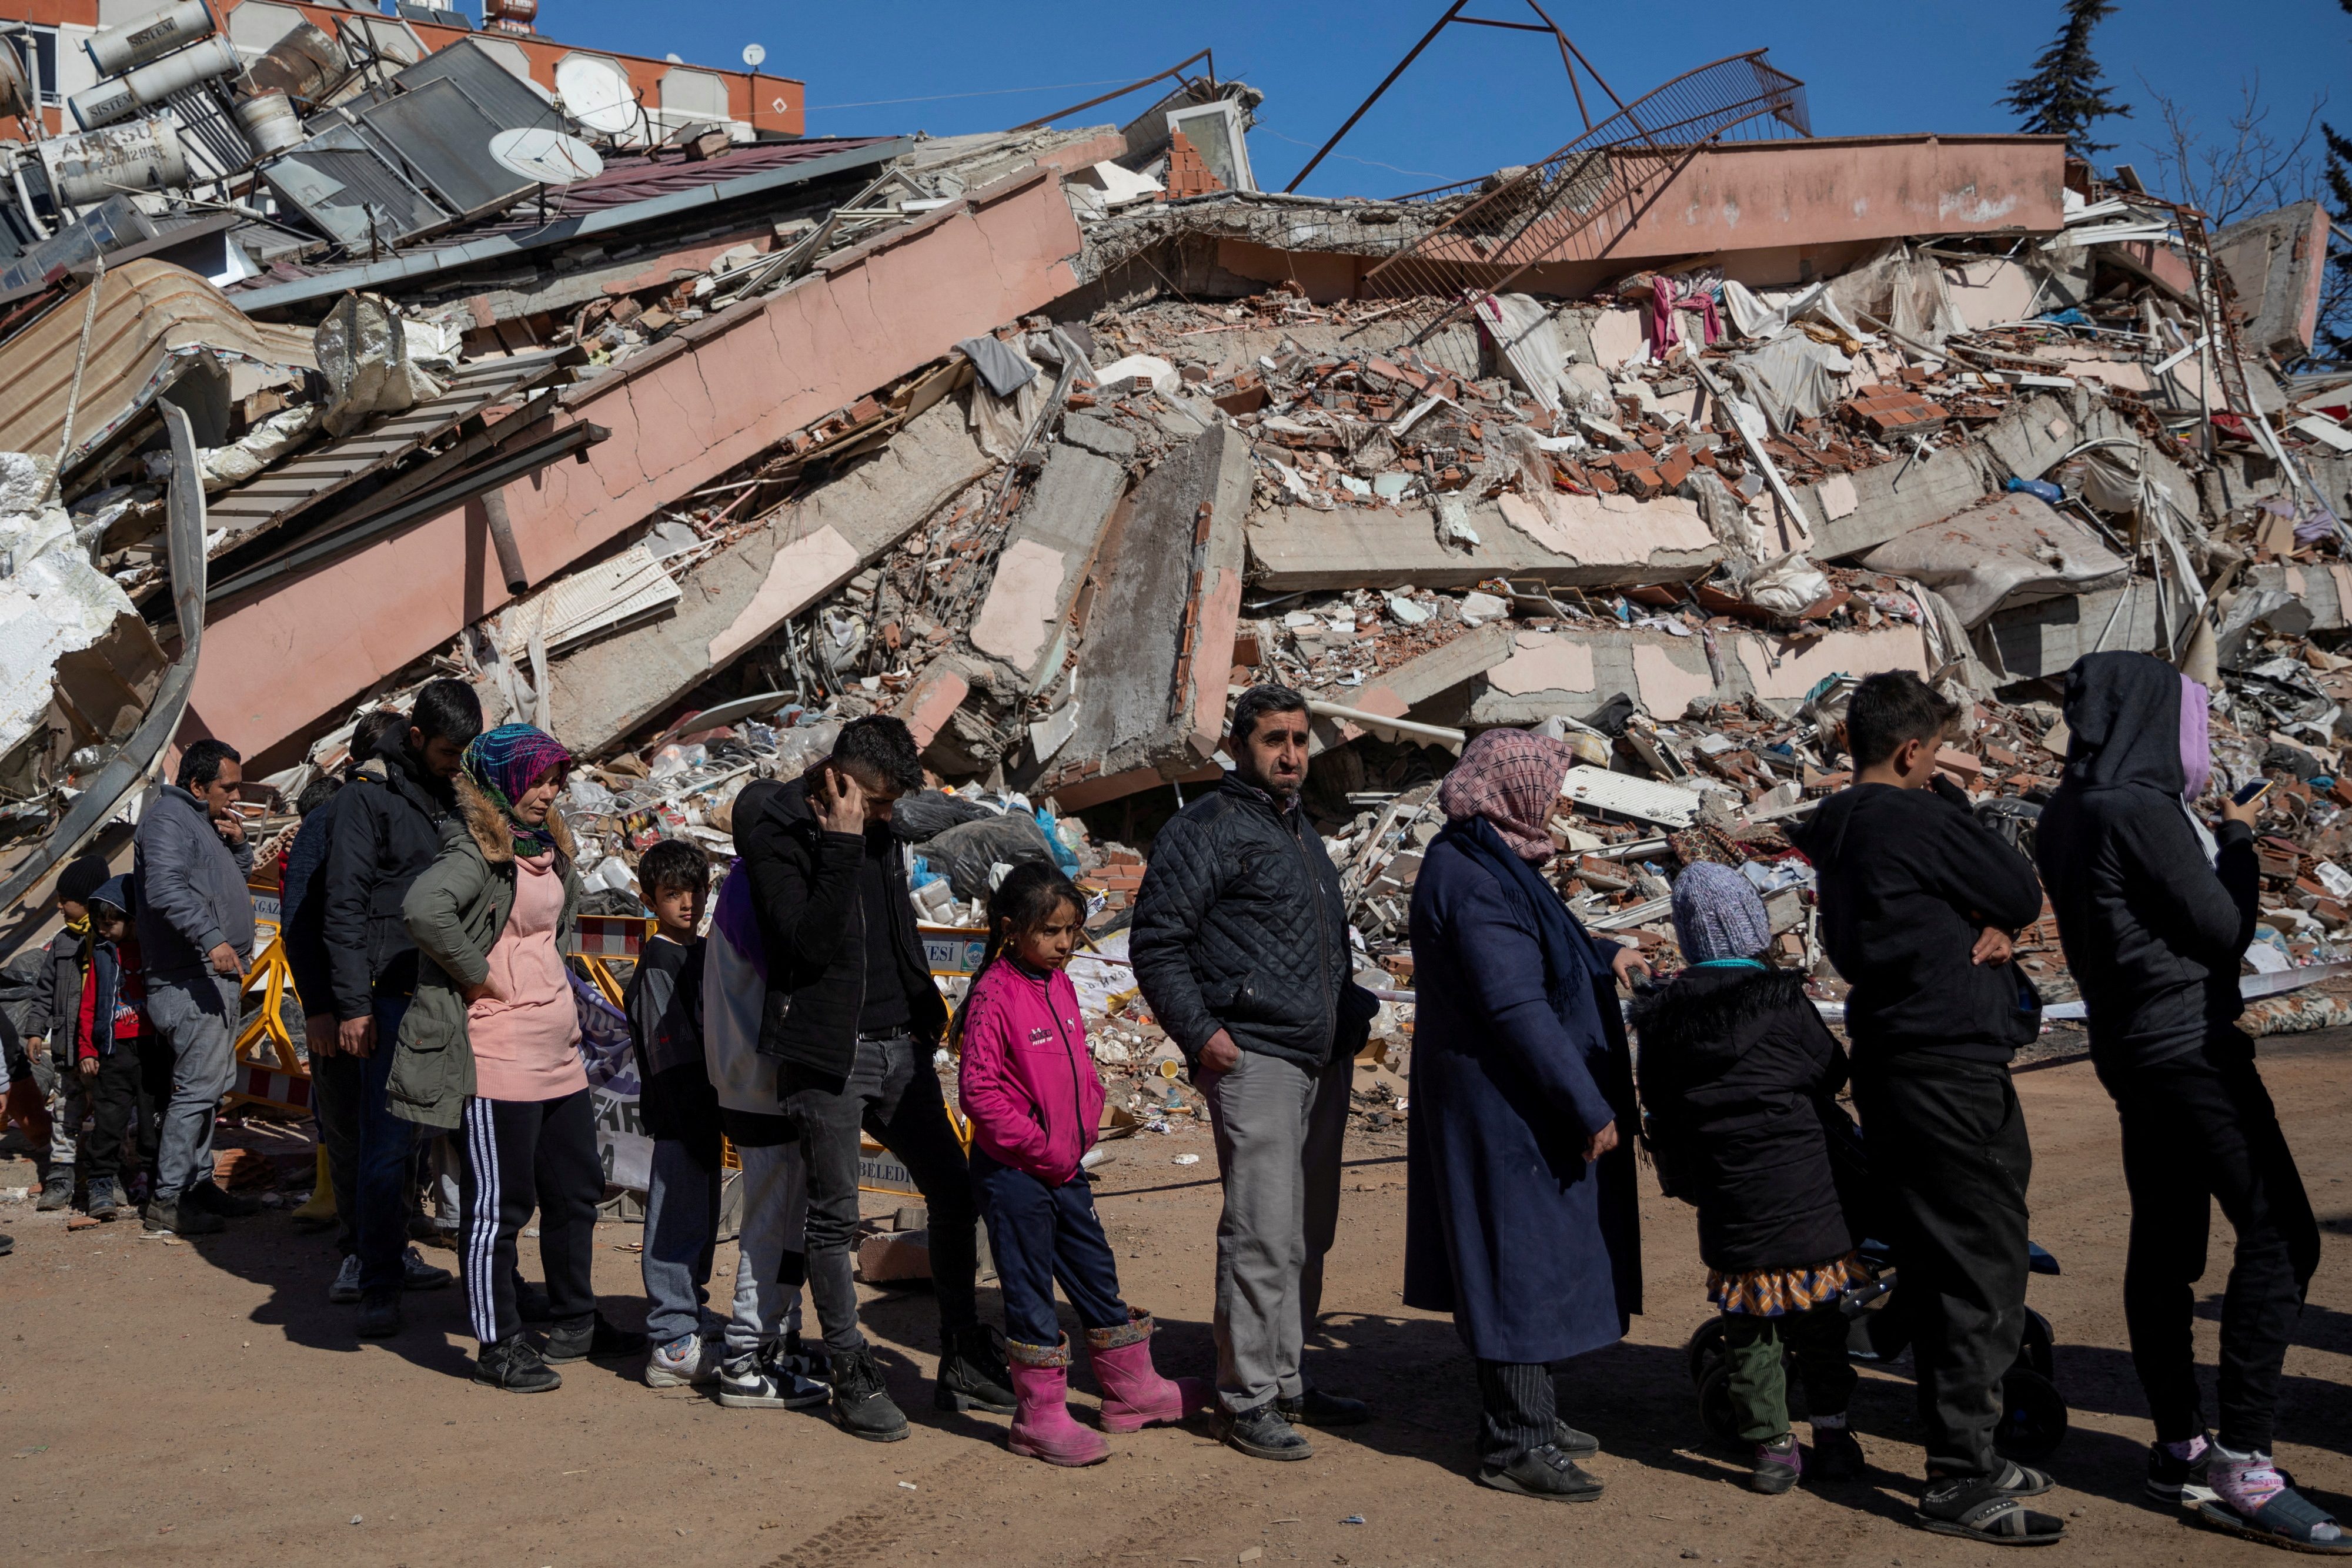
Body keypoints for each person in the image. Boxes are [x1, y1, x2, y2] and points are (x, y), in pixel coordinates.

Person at [2036, 651, 2334, 1552]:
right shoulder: (2137, 807)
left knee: (2166, 1242)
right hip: (2190, 1050)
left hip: (2129, 1048)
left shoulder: (2069, 807)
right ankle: (2244, 1459)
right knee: (2282, 1235)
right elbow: (2223, 929)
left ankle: (2178, 1442)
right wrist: (2239, 842)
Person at [1789, 670, 2059, 1546]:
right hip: (1951, 1067)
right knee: (1981, 1264)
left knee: (1944, 1251)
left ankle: (1969, 1445)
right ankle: (1959, 1474)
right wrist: (1958, 821)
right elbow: (2018, 891)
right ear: (1911, 750)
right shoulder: (1921, 814)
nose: (1942, 764)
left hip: (1899, 1060)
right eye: (1936, 751)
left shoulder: (1834, 828)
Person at [736, 714, 1009, 1440]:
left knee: (954, 1192)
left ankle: (961, 1352)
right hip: (827, 1054)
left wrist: (924, 998)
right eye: (879, 802)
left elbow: (895, 922)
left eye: (890, 806)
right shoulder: (778, 831)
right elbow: (805, 946)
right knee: (834, 1216)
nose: (887, 816)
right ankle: (850, 1369)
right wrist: (841, 843)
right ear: (841, 779)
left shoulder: (881, 831)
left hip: (899, 1047)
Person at [1131, 684, 1381, 1463]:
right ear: (1242, 742)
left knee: (1307, 1231)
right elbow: (1157, 941)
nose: (1292, 754)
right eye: (1276, 739)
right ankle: (1245, 1396)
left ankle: (1288, 1374)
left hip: (1319, 1054)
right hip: (1257, 1057)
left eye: (1302, 740)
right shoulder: (1205, 828)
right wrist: (1205, 1035)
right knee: (1262, 1230)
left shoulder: (1298, 827)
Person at [1401, 727, 1645, 1502]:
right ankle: (1515, 1441)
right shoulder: (1472, 875)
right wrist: (1585, 1100)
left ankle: (1535, 1414)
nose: (1558, 797)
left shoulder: (1494, 853)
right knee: (1512, 1260)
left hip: (1512, 1099)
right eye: (1549, 783)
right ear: (1514, 789)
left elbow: (1540, 945)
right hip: (1502, 1103)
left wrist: (1602, 955)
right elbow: (1514, 1003)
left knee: (1536, 1256)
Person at [389, 722, 646, 1391]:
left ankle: (575, 1320)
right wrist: (479, 975)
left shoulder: (544, 847)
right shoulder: (476, 849)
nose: (550, 790)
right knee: (498, 1210)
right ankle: (497, 1343)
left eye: (557, 778)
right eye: (538, 778)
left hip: (557, 1055)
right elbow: (423, 909)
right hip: (498, 1054)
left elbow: (547, 938)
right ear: (502, 779)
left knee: (574, 1192)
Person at [1633, 862, 1867, 1496]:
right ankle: (1836, 1437)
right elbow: (1829, 1070)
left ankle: (1770, 1449)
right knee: (1821, 1324)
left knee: (1751, 1332)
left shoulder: (1662, 1015)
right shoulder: (1780, 999)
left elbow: (1656, 1099)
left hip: (1728, 1193)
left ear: (1687, 934)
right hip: (1806, 1190)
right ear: (1752, 924)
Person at [959, 863, 1204, 1466]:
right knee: (1029, 1290)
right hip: (1016, 1174)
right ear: (1012, 929)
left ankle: (1132, 1393)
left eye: (1072, 931)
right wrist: (1041, 1148)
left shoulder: (1059, 983)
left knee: (1095, 1272)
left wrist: (1087, 1118)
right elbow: (979, 1093)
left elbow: (1077, 1068)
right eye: (1051, 932)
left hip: (1064, 1168)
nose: (1065, 945)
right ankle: (1038, 1418)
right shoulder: (994, 993)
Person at [312, 686, 476, 1336]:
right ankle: (379, 1281)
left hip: (454, 993)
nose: (454, 763)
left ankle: (496, 1282)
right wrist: (350, 1005)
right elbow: (342, 905)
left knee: (471, 1144)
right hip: (391, 996)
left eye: (463, 753)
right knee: (385, 1148)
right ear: (415, 738)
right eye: (444, 751)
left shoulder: (457, 792)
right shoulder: (365, 797)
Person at [701, 857, 830, 1410]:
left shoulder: (749, 882)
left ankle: (781, 1336)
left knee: (786, 1226)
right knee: (768, 1226)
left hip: (757, 1083)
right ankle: (746, 1356)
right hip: (757, 1084)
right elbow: (792, 966)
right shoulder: (755, 889)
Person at [134, 737, 259, 1238]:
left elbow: (228, 882)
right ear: (195, 784)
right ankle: (168, 1199)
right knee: (195, 1091)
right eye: (227, 788)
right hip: (190, 980)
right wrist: (211, 940)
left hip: (213, 977)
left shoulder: (200, 823)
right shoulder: (168, 821)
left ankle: (198, 1183)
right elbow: (164, 888)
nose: (234, 796)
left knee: (210, 1089)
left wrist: (238, 846)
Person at [626, 838, 730, 1390]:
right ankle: (670, 1340)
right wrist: (691, 1116)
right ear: (649, 900)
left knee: (699, 1221)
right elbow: (669, 1053)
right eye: (672, 894)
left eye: (694, 890)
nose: (686, 903)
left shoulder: (704, 951)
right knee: (674, 1222)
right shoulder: (659, 962)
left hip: (706, 1112)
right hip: (679, 1114)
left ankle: (690, 1313)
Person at [70, 877, 175, 1222]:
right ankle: (102, 1181)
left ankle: (156, 1182)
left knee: (153, 1121)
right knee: (108, 1121)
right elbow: (90, 1005)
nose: (103, 930)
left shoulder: (155, 950)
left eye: (110, 923)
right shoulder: (102, 954)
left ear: (133, 919)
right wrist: (87, 1049)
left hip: (152, 1051)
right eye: (99, 924)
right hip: (113, 1052)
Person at [28, 854, 111, 1213]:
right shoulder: (62, 943)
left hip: (104, 1049)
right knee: (65, 1113)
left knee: (112, 1113)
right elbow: (44, 991)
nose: (60, 905)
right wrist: (35, 1031)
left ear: (88, 898)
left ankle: (110, 1178)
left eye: (66, 899)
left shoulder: (112, 938)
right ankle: (60, 1177)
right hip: (66, 1048)